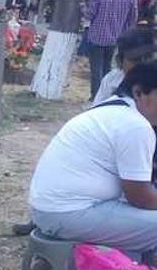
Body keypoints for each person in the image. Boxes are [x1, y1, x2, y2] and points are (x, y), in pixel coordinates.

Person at [28, 62, 157, 256]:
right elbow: (140, 197)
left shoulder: (111, 109)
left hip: (50, 210)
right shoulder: (135, 125)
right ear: (138, 93)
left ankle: (82, 263)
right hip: (69, 214)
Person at [85, 0, 137, 101]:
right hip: (116, 39)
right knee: (107, 67)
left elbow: (89, 15)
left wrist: (81, 6)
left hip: (97, 38)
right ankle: (107, 95)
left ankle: (96, 96)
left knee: (96, 68)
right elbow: (132, 19)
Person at [93, 28, 155, 105]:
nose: (144, 64)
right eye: (136, 60)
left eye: (148, 57)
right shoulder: (111, 80)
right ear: (119, 61)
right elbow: (98, 109)